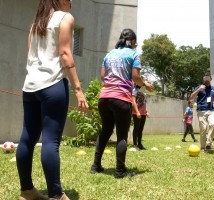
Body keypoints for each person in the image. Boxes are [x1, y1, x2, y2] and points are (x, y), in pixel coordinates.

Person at [16, 0, 88, 199]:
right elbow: (65, 54)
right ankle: (56, 195)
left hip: (30, 87)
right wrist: (78, 89)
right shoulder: (65, 18)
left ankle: (27, 190)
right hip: (52, 85)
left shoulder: (35, 24)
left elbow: (30, 59)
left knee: (27, 139)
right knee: (50, 141)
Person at [90, 28, 154, 178]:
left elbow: (103, 77)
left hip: (104, 98)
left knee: (105, 130)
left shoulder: (109, 54)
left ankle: (95, 165)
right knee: (122, 135)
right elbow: (136, 77)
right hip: (121, 98)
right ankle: (120, 171)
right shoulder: (133, 54)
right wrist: (146, 84)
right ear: (132, 41)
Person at [190, 72, 214, 152]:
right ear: (203, 79)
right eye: (205, 78)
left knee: (213, 124)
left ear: (210, 79)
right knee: (204, 128)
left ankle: (208, 144)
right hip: (201, 110)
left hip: (211, 110)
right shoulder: (199, 87)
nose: (206, 80)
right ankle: (202, 147)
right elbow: (192, 96)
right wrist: (199, 89)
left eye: (208, 78)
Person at [132, 76, 149, 150]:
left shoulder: (143, 91)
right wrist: (137, 112)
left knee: (141, 129)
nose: (143, 82)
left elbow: (144, 102)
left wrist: (146, 111)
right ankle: (135, 145)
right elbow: (133, 101)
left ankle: (140, 144)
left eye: (143, 80)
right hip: (137, 113)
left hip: (143, 113)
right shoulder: (134, 90)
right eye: (141, 80)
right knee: (136, 128)